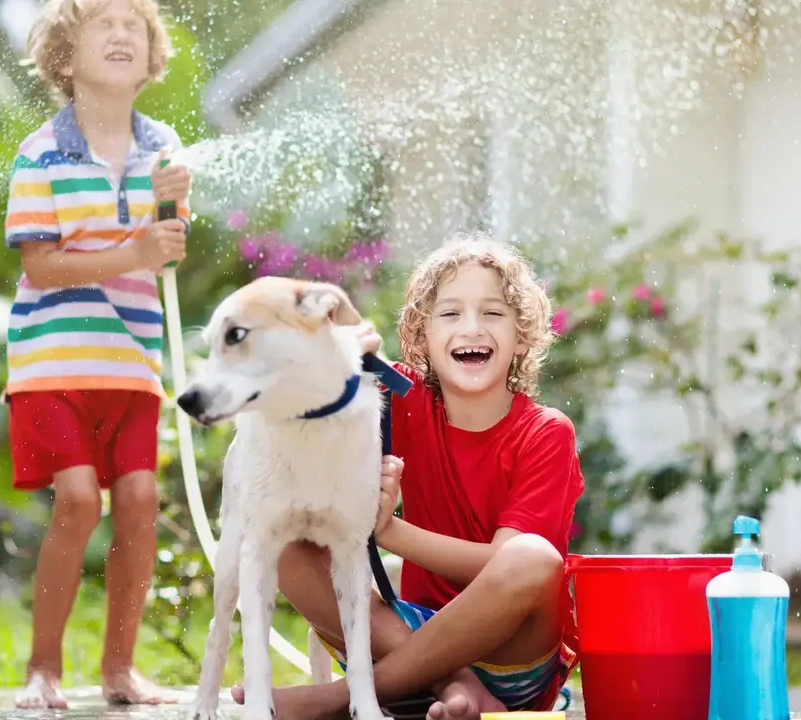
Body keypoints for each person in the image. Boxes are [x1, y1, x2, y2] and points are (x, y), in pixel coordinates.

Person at [235, 234, 585, 720]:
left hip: (512, 657)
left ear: (522, 335)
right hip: (405, 635)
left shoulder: (545, 432)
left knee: (533, 558)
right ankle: (450, 684)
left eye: (492, 313)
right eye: (450, 314)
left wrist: (390, 531)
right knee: (285, 539)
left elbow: (507, 568)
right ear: (421, 338)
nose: (471, 327)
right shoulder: (401, 401)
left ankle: (341, 699)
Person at [1, 0, 192, 708]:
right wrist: (132, 248)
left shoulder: (163, 147)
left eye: (134, 26)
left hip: (131, 364)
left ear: (150, 59)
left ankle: (119, 670)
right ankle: (42, 669)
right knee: (78, 500)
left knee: (139, 500)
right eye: (102, 23)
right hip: (52, 362)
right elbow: (42, 266)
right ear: (63, 57)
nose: (121, 33)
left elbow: (166, 257)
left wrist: (170, 212)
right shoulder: (40, 151)